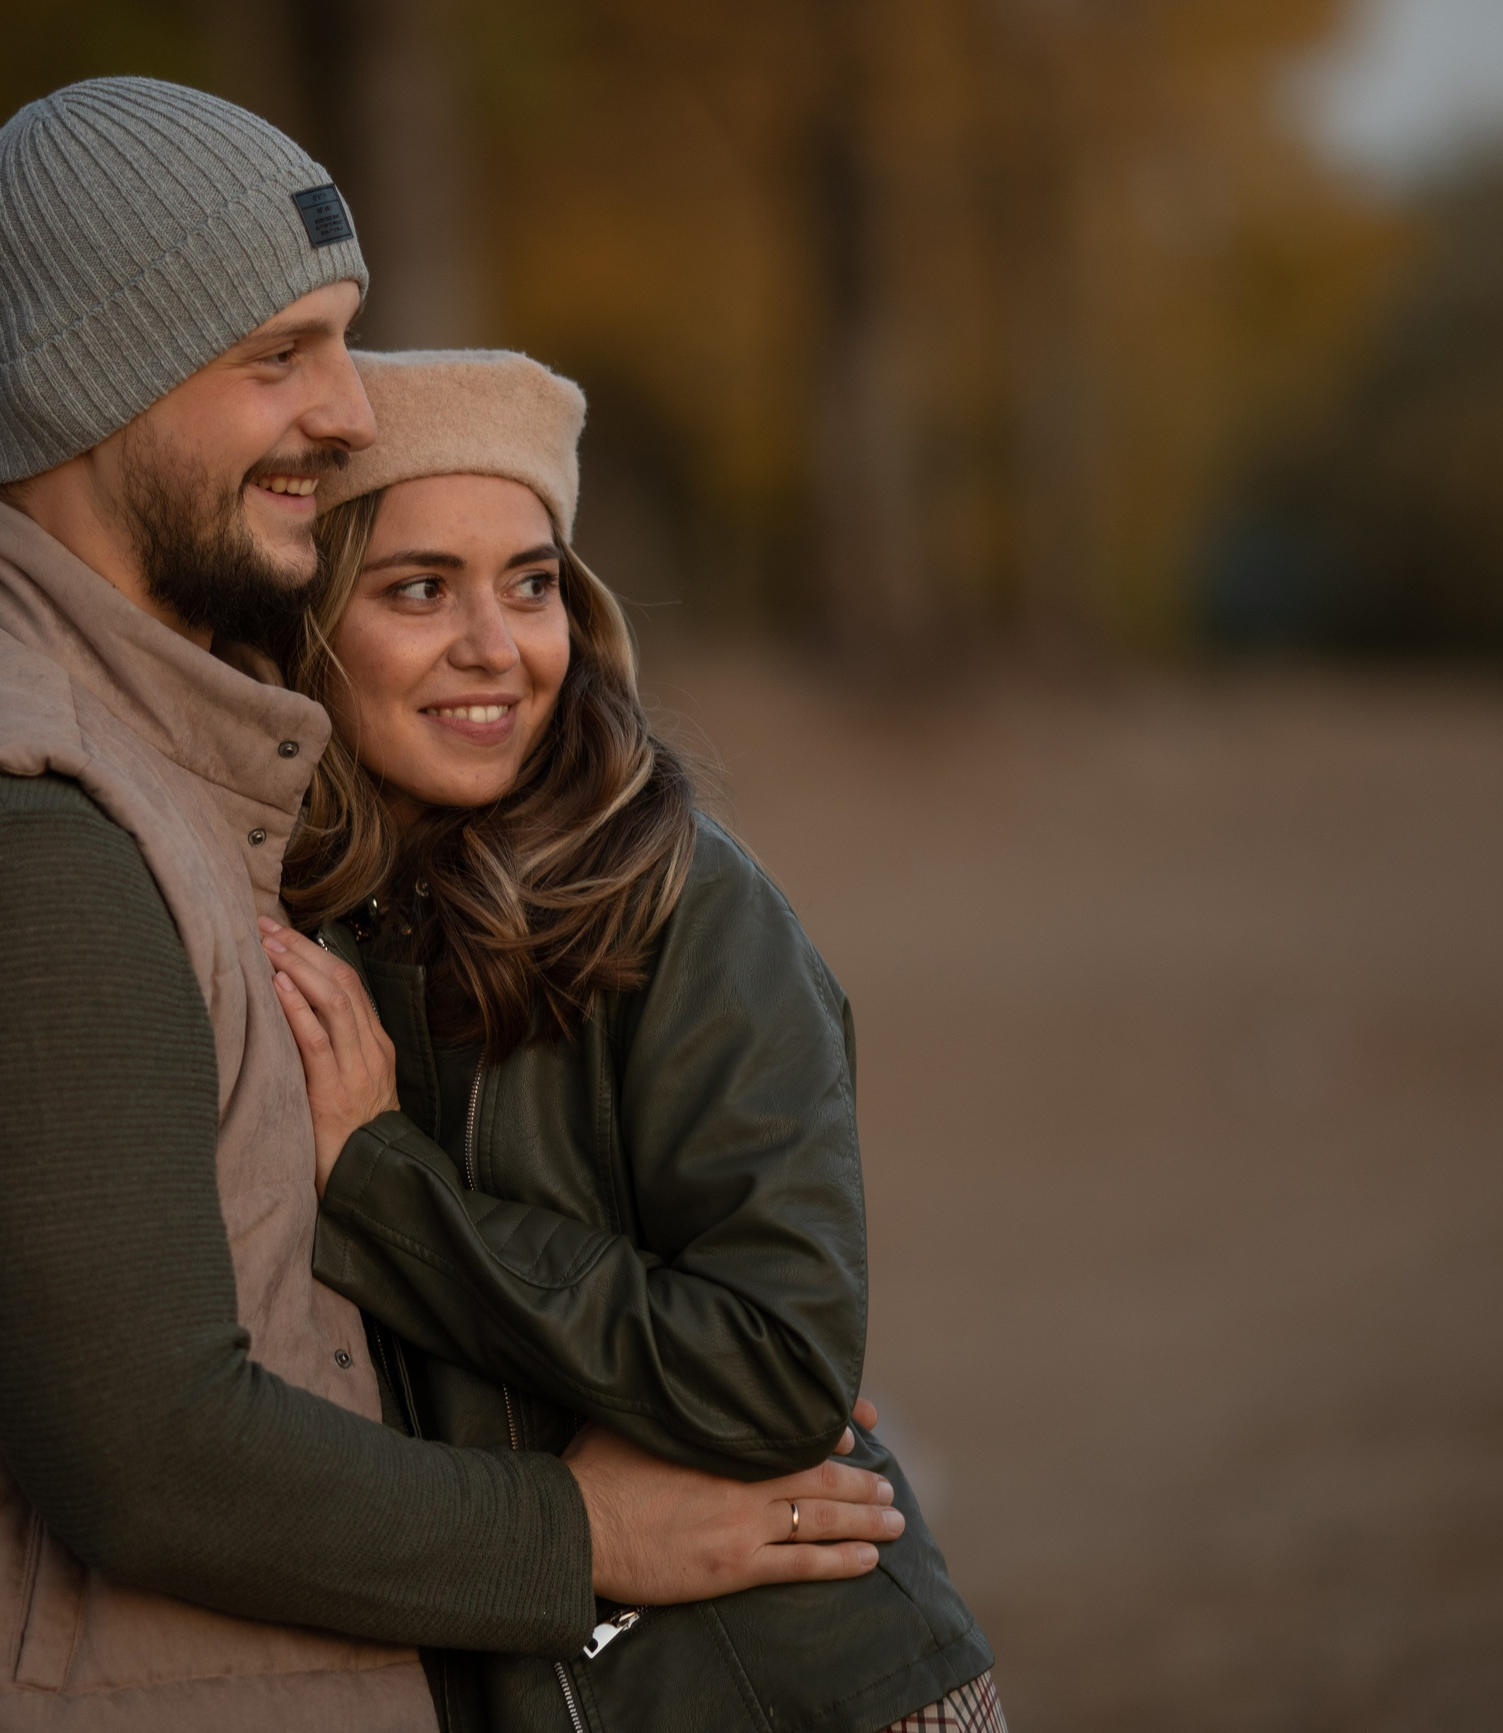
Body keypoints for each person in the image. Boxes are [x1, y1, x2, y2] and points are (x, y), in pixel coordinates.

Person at [0, 80, 901, 1733]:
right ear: (91, 382)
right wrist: (593, 1529)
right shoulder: (22, 829)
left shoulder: (119, 740)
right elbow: (152, 1457)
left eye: (342, 342)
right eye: (281, 356)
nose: (347, 414)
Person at [259, 349, 1003, 1733]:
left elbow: (780, 1367)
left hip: (809, 1698)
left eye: (530, 583)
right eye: (421, 587)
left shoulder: (687, 906)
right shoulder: (307, 928)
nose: (495, 643)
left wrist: (386, 1189)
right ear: (308, 625)